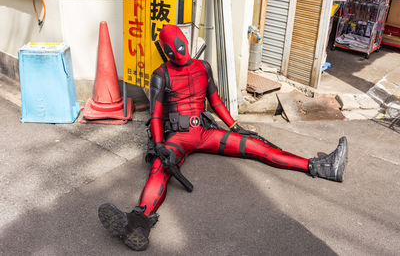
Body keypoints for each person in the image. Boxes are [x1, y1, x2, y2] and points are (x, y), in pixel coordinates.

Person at [98, 25, 348, 251]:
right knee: (160, 168)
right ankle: (138, 222)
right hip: (188, 137)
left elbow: (199, 104)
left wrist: (235, 127)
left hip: (196, 135)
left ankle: (321, 167)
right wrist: (160, 145)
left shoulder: (181, 70)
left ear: (166, 50)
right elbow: (167, 112)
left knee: (256, 145)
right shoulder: (172, 72)